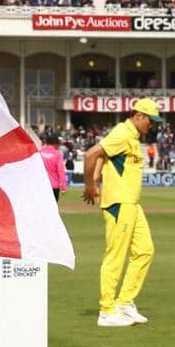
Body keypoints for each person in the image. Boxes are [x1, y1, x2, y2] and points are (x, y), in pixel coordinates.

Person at [83, 98, 162, 327]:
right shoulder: (122, 132)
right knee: (115, 257)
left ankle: (125, 303)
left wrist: (96, 177)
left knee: (145, 251)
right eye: (150, 120)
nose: (152, 125)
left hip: (132, 204)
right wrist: (90, 185)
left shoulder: (132, 136)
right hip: (119, 203)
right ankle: (107, 310)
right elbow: (91, 154)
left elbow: (103, 156)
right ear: (138, 116)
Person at [39, 134, 68, 201]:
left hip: (41, 185)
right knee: (53, 210)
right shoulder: (57, 154)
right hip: (54, 186)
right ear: (55, 143)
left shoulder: (39, 152)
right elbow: (60, 171)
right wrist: (63, 186)